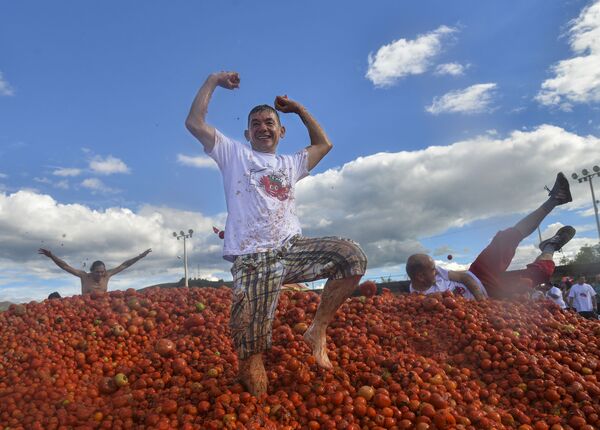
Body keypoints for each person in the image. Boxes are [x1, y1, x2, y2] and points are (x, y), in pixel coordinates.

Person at [185, 71, 367, 396]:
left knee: (351, 258)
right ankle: (253, 383)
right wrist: (213, 80)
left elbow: (324, 144)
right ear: (247, 132)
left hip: (292, 249)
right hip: (254, 259)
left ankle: (317, 330)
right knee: (254, 367)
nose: (263, 127)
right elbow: (195, 123)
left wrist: (297, 109)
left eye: (269, 122)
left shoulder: (290, 163)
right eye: (256, 124)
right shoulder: (235, 154)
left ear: (281, 131)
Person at [407, 172, 575, 300]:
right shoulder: (419, 298)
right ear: (420, 277)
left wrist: (481, 301)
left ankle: (556, 198)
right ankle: (550, 246)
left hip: (477, 273)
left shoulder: (433, 270)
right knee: (534, 277)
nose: (436, 272)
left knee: (505, 238)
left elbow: (463, 277)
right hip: (493, 292)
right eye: (432, 271)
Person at [38, 248, 152, 295]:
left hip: (103, 310)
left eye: (102, 271)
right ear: (91, 271)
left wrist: (139, 257)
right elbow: (65, 267)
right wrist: (52, 256)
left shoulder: (107, 276)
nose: (100, 274)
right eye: (97, 272)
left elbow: (124, 265)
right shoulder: (84, 276)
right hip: (86, 310)